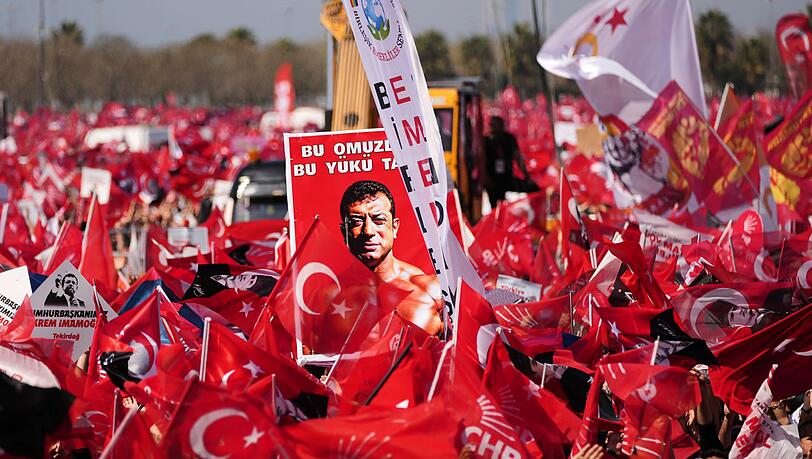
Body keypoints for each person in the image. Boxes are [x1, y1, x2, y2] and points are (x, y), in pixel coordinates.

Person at [339, 180, 443, 335]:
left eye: (379, 220)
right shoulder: (326, 301)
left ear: (395, 227)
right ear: (344, 232)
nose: (368, 231)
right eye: (356, 222)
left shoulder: (432, 291)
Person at [483, 116, 532, 209]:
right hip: (492, 179)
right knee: (494, 204)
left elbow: (518, 157)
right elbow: (481, 161)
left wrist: (526, 175)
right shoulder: (485, 141)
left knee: (508, 203)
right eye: (492, 125)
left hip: (507, 177)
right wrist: (486, 178)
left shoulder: (509, 139)